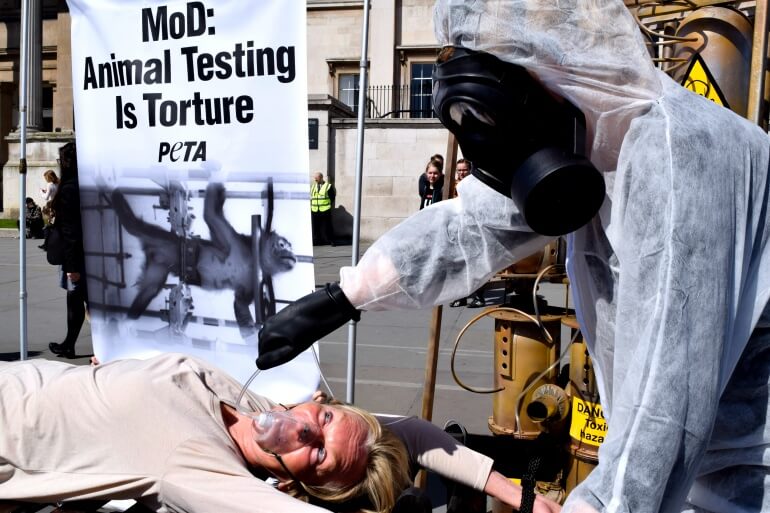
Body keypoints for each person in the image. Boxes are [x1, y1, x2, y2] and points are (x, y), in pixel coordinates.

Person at [256, 1, 770, 512]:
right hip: (680, 475)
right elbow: (470, 228)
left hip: (746, 477)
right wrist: (344, 296)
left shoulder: (680, 157)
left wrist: (601, 506)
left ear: (557, 57)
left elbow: (666, 393)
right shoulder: (590, 136)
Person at [0, 352, 561, 513]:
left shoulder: (198, 469)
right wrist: (520, 494)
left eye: (316, 457)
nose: (303, 433)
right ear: (320, 403)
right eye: (322, 421)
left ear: (301, 485)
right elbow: (410, 430)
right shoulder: (257, 403)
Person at [111, 182, 297, 338]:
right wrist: (216, 179)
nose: (283, 247)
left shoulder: (251, 286)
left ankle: (126, 324)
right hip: (176, 250)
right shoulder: (238, 246)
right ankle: (109, 188)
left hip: (178, 266)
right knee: (132, 226)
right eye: (282, 244)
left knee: (149, 289)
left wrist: (251, 339)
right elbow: (211, 215)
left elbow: (241, 309)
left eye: (283, 247)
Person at [49, 142, 89, 360]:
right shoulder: (83, 183)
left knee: (75, 299)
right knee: (82, 300)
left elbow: (71, 230)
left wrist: (72, 266)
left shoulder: (70, 187)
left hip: (77, 254)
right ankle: (68, 343)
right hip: (87, 251)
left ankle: (69, 344)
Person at [449, 159, 484, 308]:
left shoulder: (474, 185)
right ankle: (461, 296)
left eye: (464, 170)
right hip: (458, 228)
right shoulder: (454, 186)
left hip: (472, 229)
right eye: (459, 170)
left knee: (474, 265)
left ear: (469, 170)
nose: (461, 173)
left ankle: (479, 296)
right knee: (459, 266)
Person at [310, 172, 336, 246]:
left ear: (321, 178)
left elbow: (332, 197)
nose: (315, 180)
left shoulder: (328, 186)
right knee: (316, 227)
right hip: (315, 209)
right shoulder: (313, 186)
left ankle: (332, 241)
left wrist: (327, 205)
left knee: (328, 226)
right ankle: (317, 241)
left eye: (316, 178)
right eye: (314, 178)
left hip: (325, 209)